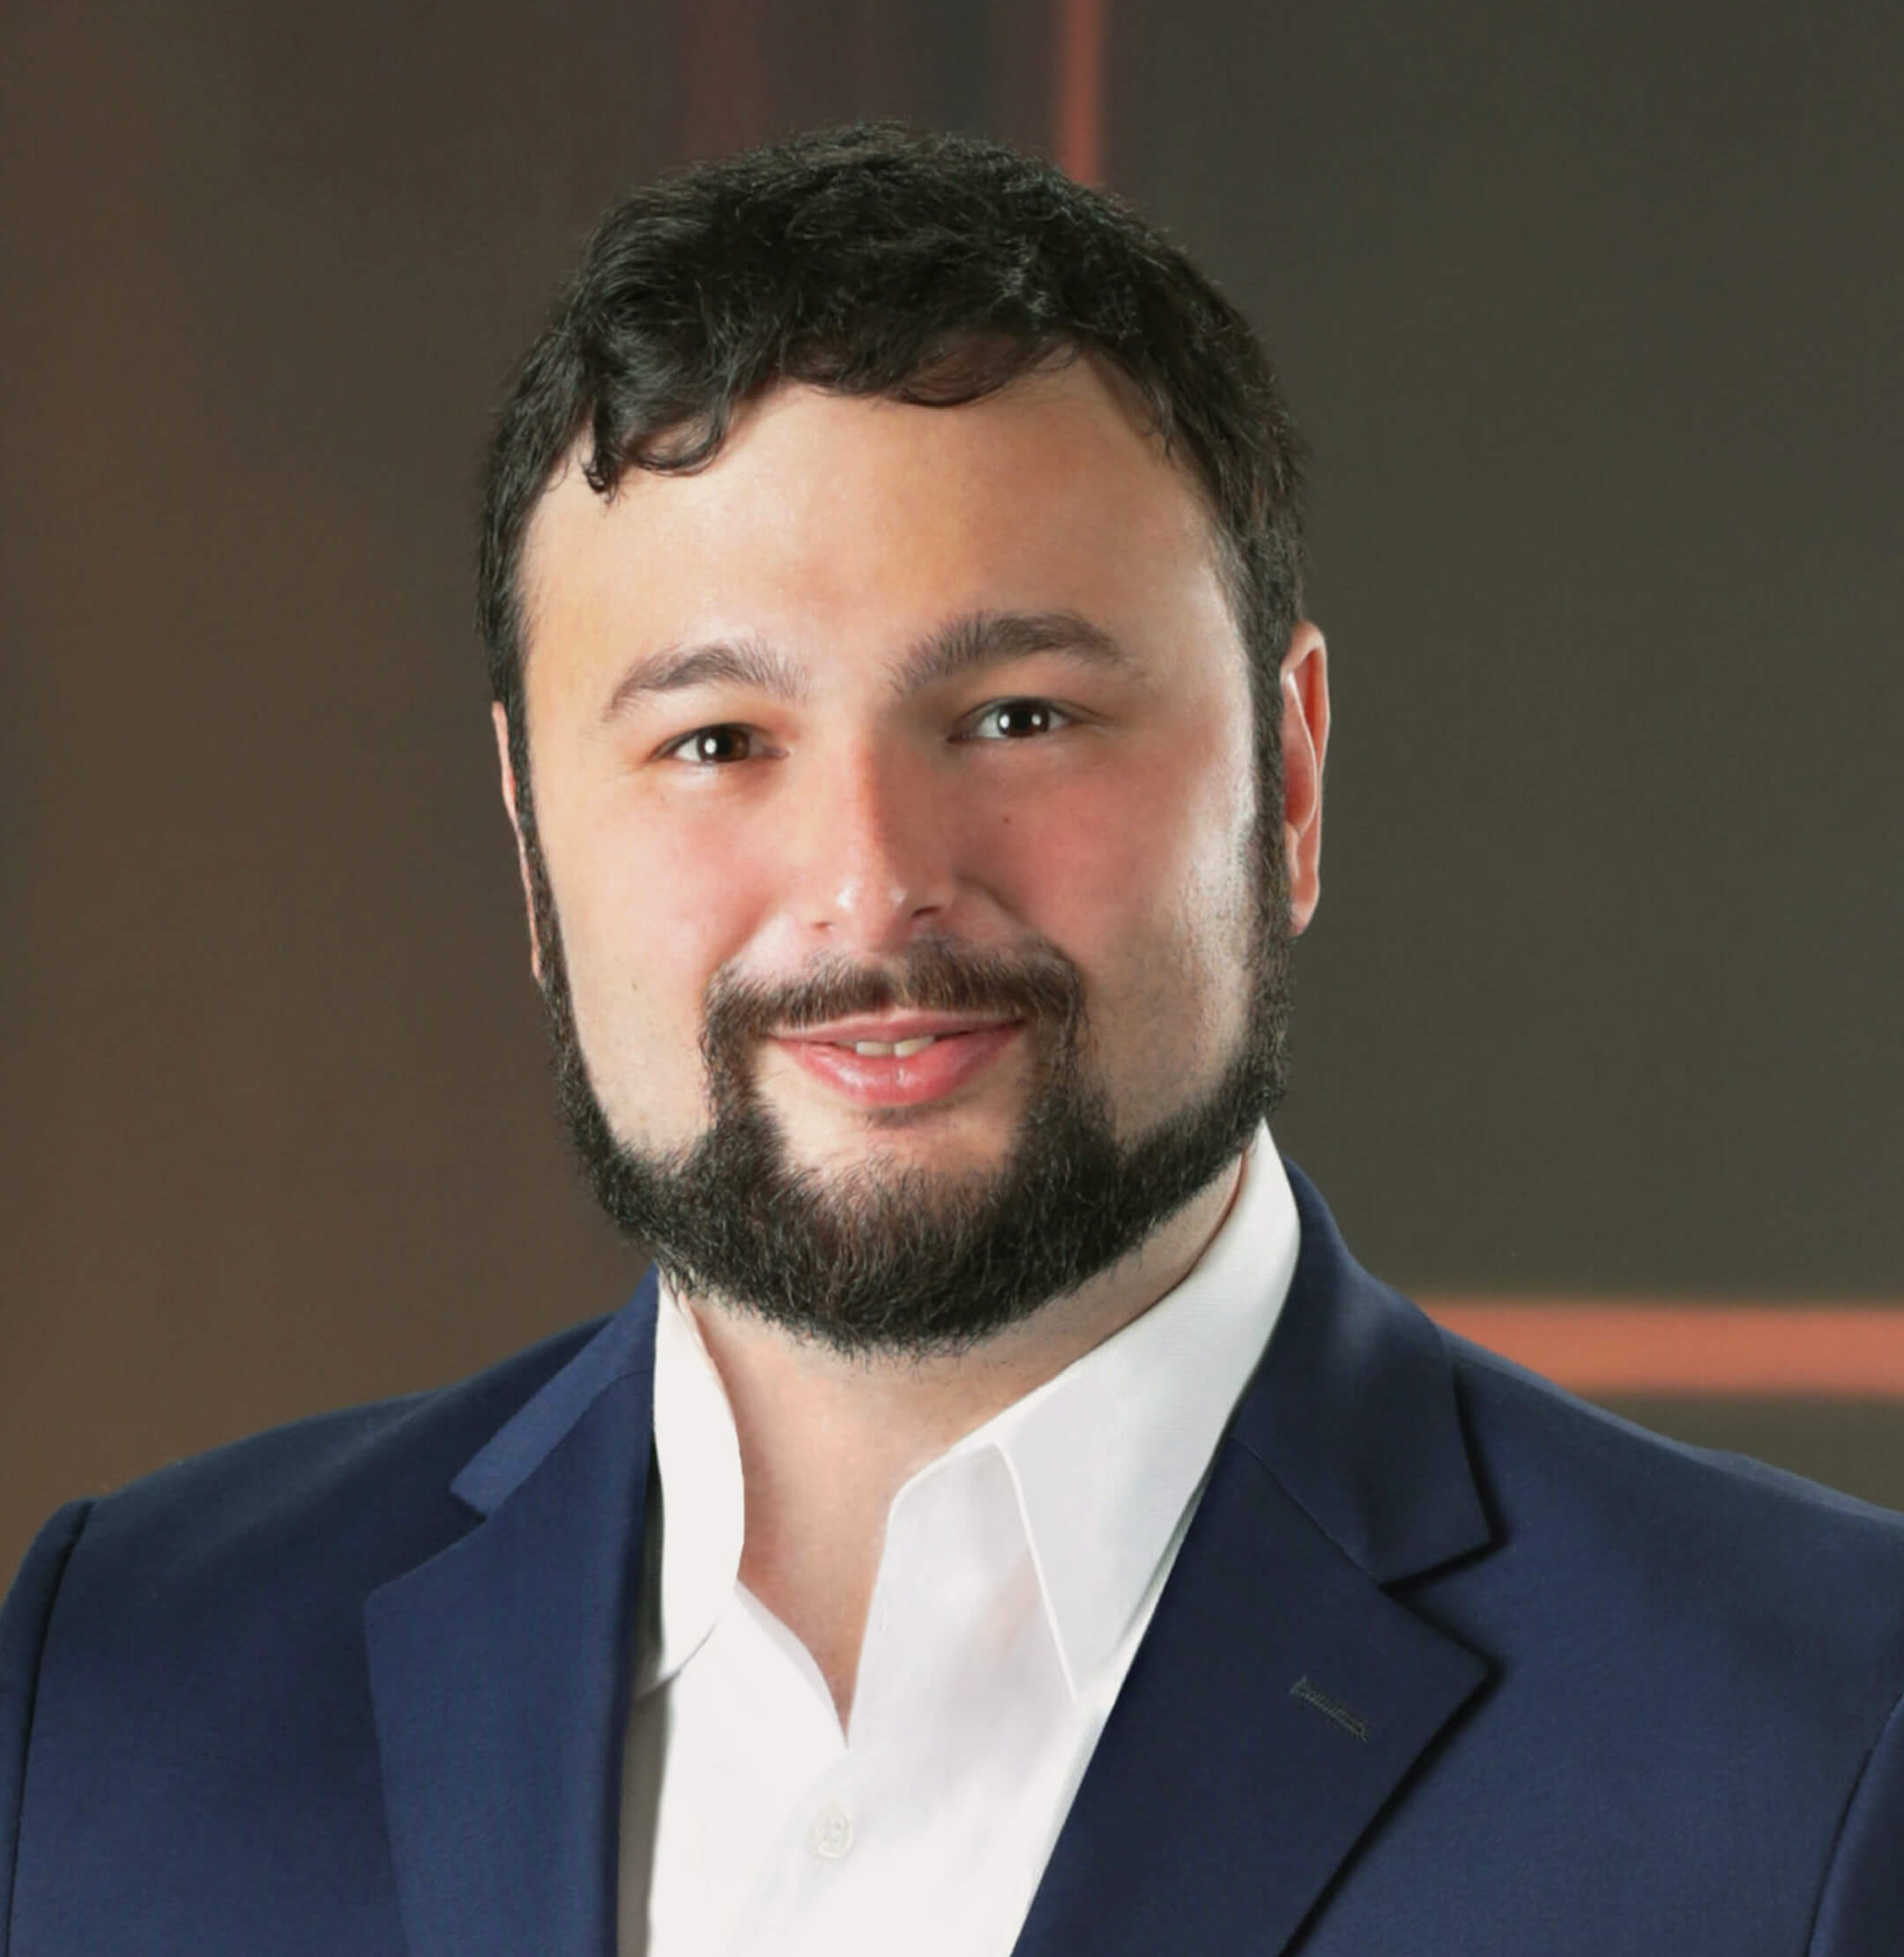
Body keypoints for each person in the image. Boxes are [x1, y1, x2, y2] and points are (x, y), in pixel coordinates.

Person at [3, 122, 1900, 1957]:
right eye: (718, 743)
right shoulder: (115, 1689)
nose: (872, 884)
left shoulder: (1825, 1747)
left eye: (1017, 716)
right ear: (530, 844)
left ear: (1292, 777)